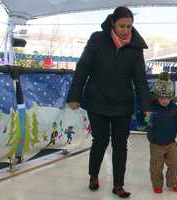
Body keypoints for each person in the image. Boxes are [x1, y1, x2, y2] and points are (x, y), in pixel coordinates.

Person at [67, 6, 151, 198]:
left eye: (129, 26)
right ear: (113, 23)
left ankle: (118, 184)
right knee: (101, 140)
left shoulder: (136, 48)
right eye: (122, 26)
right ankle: (94, 175)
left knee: (121, 144)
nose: (126, 30)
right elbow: (83, 68)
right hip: (97, 100)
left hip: (122, 103)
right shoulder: (98, 39)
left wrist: (146, 107)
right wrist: (74, 96)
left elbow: (140, 80)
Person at [146, 72, 177, 194]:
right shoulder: (151, 107)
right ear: (156, 97)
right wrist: (144, 120)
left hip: (171, 144)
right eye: (162, 98)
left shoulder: (174, 108)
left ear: (171, 97)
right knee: (156, 167)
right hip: (156, 144)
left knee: (175, 164)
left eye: (168, 98)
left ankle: (172, 183)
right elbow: (141, 117)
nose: (165, 101)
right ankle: (157, 184)